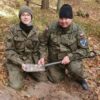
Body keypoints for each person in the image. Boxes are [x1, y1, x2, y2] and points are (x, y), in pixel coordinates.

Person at [38, 4, 89, 90]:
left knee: (75, 69)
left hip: (71, 60)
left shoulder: (78, 31)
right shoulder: (51, 27)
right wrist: (42, 56)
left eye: (66, 18)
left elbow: (85, 50)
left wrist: (70, 57)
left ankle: (81, 79)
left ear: (71, 19)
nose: (63, 21)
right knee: (55, 79)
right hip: (55, 61)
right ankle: (61, 73)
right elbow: (43, 43)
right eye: (61, 18)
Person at [5, 5, 48, 90]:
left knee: (43, 79)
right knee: (16, 86)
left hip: (30, 61)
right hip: (16, 62)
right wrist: (20, 63)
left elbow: (40, 47)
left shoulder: (36, 31)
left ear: (31, 17)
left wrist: (41, 57)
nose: (25, 17)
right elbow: (9, 51)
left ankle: (26, 72)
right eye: (23, 15)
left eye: (28, 15)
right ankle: (20, 72)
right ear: (20, 17)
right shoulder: (12, 30)